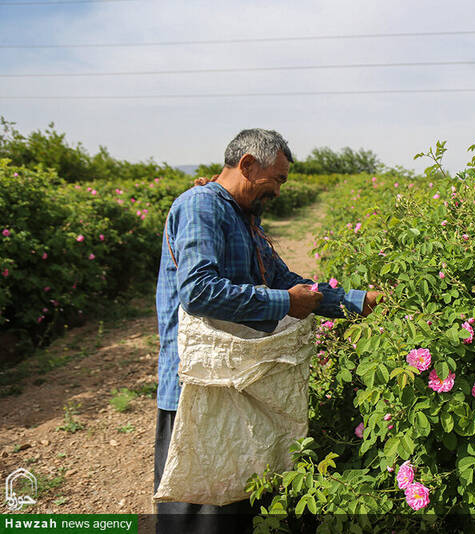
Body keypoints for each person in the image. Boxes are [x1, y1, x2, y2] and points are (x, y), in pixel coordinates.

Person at [153, 128, 380, 532]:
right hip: (198, 384)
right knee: (198, 510)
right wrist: (285, 302)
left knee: (236, 503)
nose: (278, 190)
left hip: (239, 380)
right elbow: (198, 291)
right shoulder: (201, 207)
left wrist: (359, 302)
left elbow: (287, 280)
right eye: (276, 179)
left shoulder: (246, 221)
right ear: (247, 165)